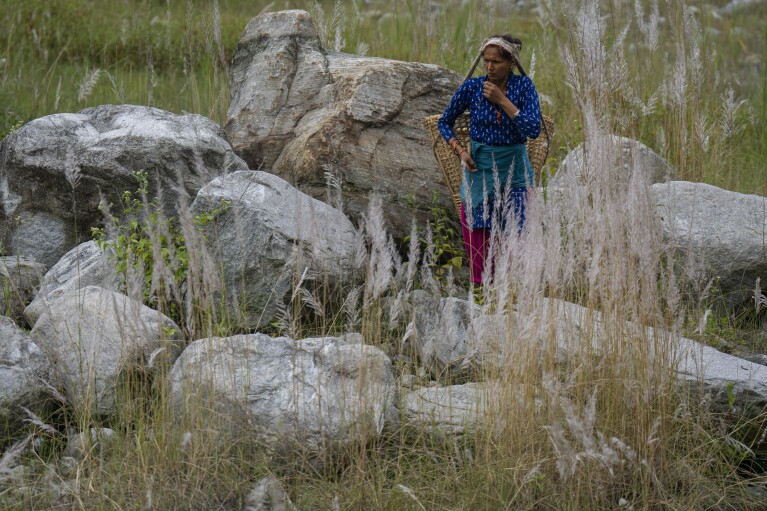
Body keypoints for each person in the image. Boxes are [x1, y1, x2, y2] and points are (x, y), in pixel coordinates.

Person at [437, 34, 541, 286]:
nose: (490, 67)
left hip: (515, 170)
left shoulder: (524, 87)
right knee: (478, 230)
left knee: (518, 232)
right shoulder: (472, 87)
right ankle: (483, 289)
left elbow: (534, 129)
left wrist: (502, 100)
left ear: (512, 63)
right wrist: (460, 151)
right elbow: (444, 122)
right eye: (486, 61)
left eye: (496, 62)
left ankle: (514, 289)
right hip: (480, 168)